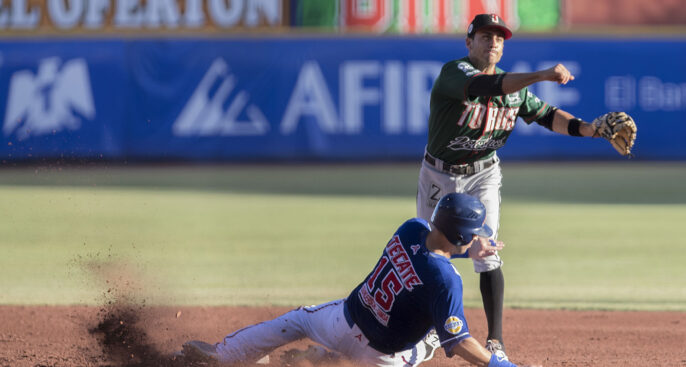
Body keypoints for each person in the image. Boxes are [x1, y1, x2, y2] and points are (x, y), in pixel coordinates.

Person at [416, 13, 636, 357]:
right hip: (439, 175)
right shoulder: (453, 73)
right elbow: (484, 89)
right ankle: (429, 329)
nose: (493, 43)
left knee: (486, 251)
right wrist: (543, 74)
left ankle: (496, 342)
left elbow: (548, 116)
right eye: (486, 36)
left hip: (483, 174)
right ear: (469, 42)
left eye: (499, 38)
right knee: (431, 251)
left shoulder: (515, 92)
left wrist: (591, 130)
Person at [177, 193, 531, 367]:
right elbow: (462, 344)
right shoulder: (448, 281)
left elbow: (429, 253)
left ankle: (224, 355)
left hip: (339, 323)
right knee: (438, 335)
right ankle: (321, 361)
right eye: (472, 235)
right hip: (381, 358)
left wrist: (465, 248)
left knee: (295, 320)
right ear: (462, 236)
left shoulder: (412, 227)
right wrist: (501, 363)